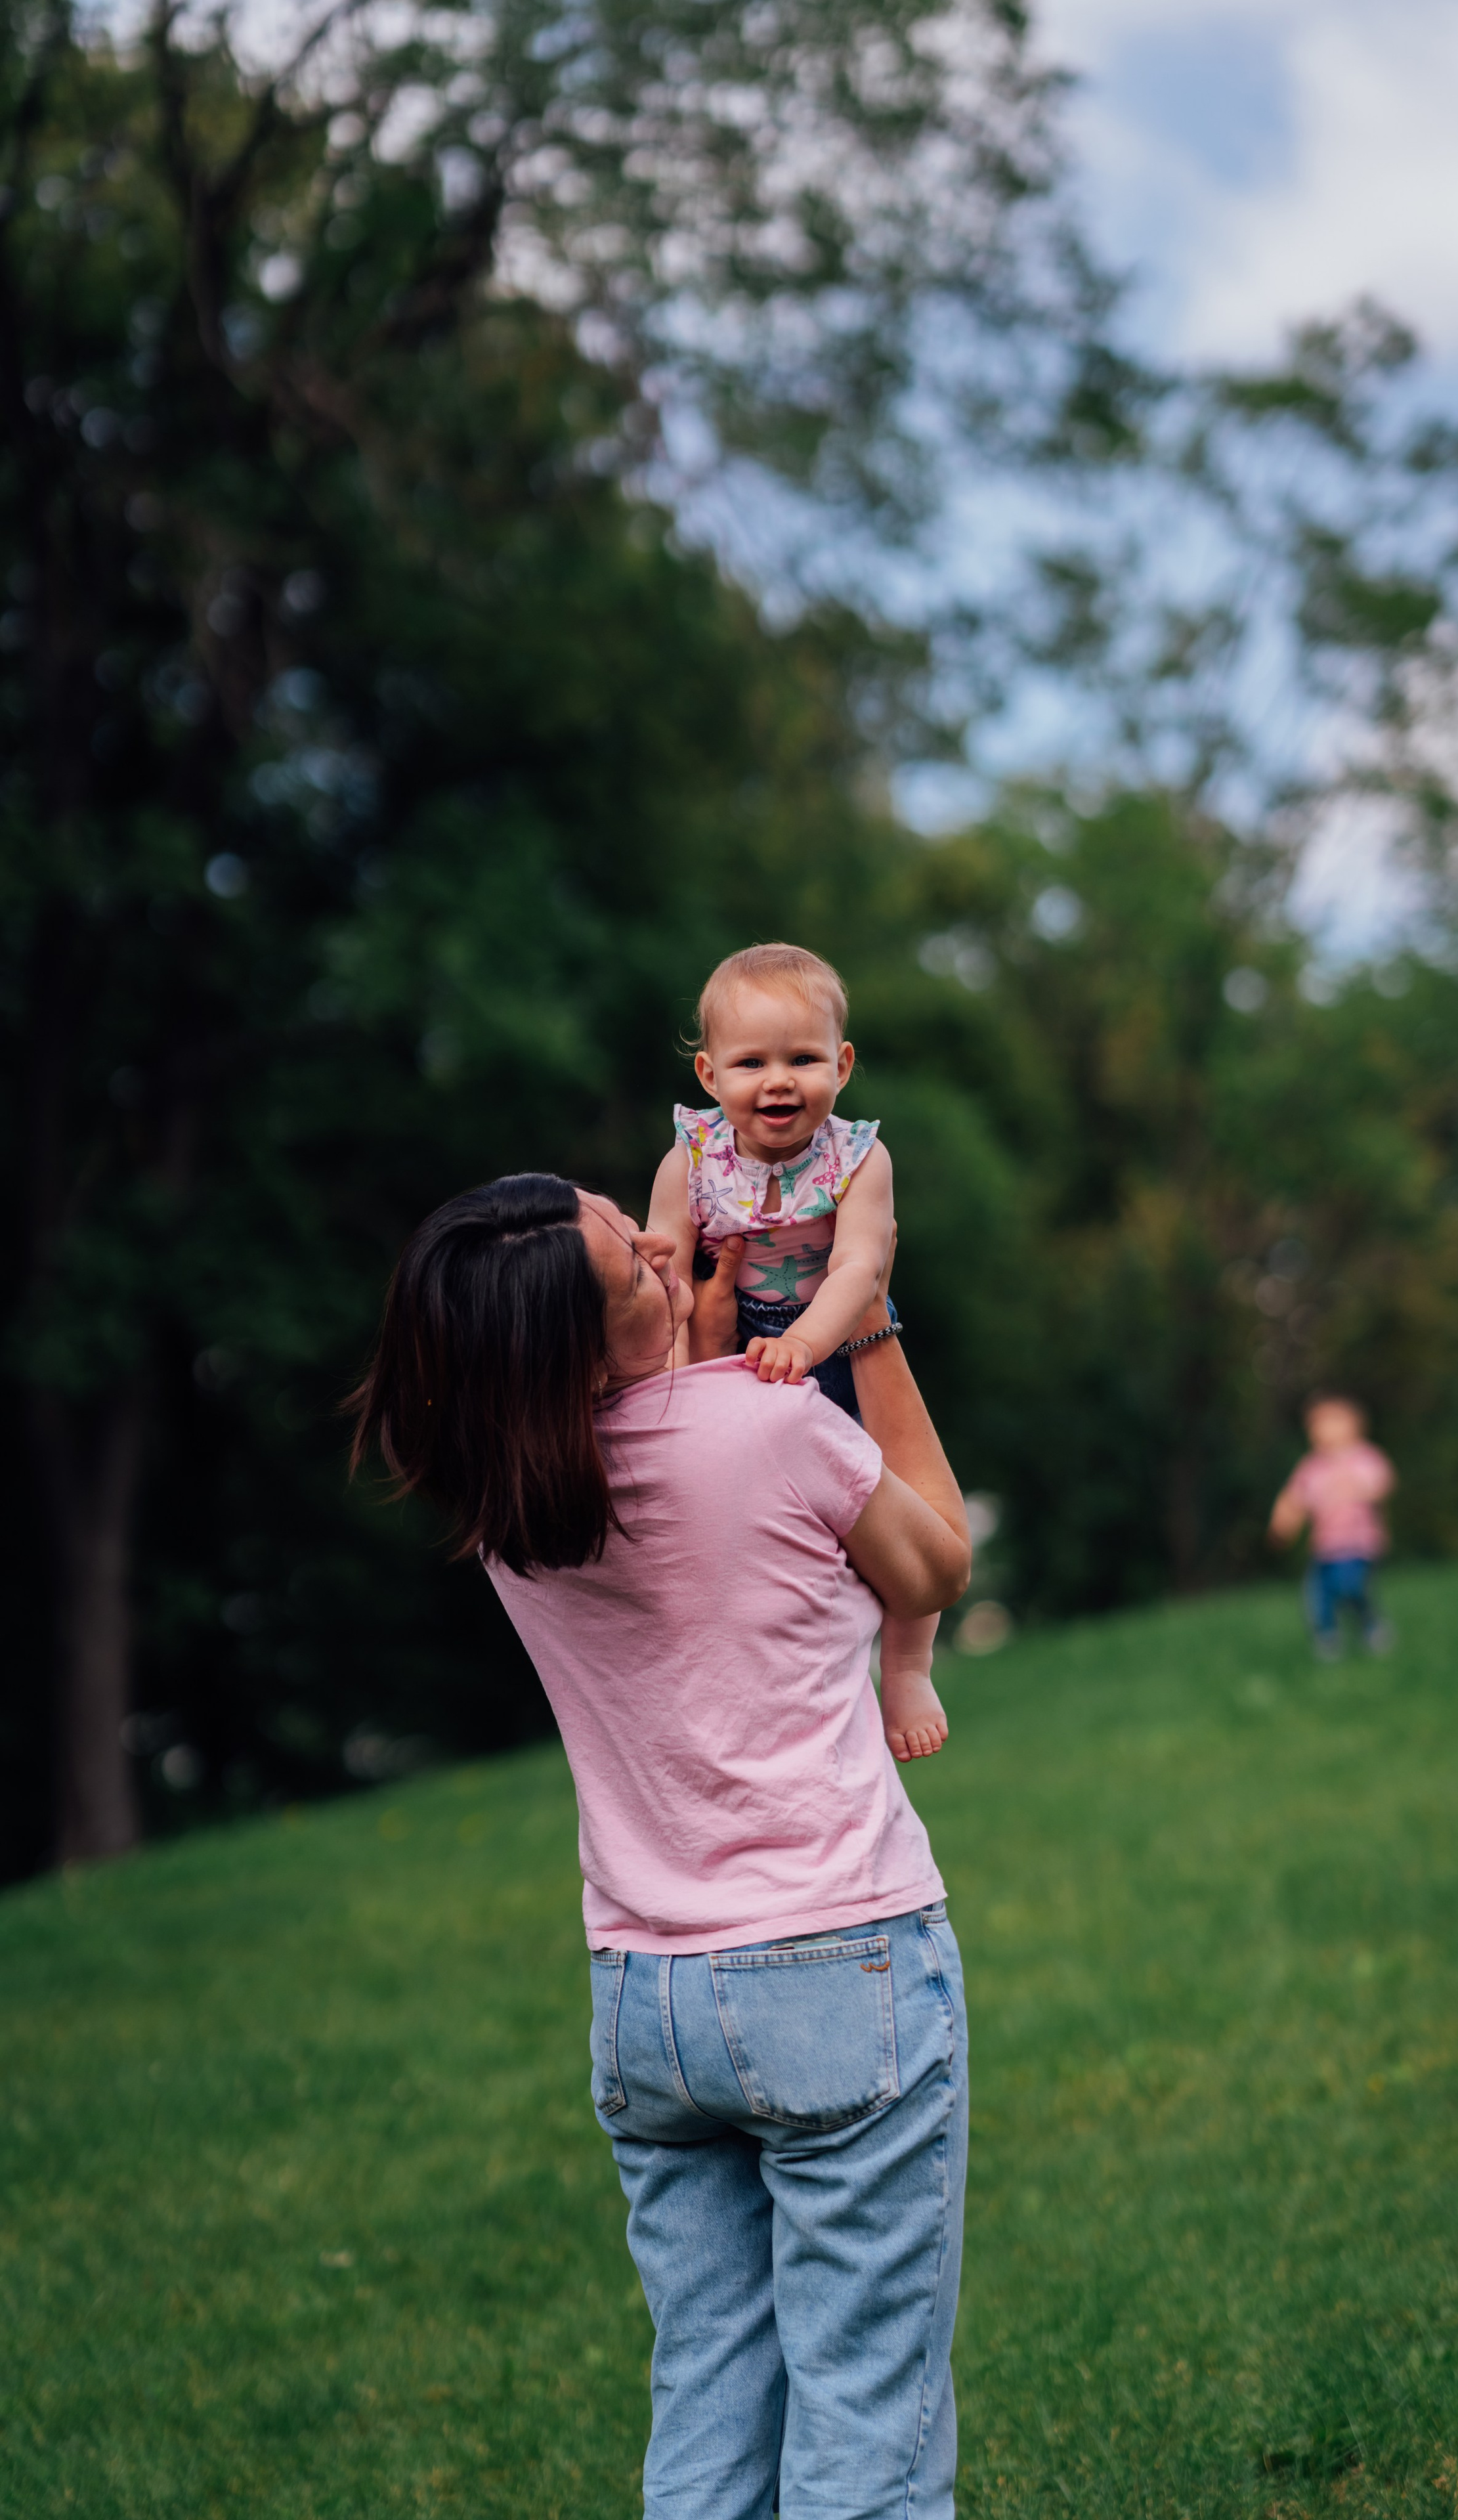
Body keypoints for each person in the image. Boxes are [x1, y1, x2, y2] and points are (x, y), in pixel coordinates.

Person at [349, 1171, 973, 2520]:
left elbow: (650, 1414)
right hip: (831, 1961)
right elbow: (932, 1567)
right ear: (577, 1343)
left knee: (709, 2393)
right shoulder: (763, 1425)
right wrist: (855, 1315)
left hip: (644, 1998)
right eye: (633, 1261)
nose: (657, 1242)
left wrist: (668, 1313)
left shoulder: (507, 1502)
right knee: (864, 2408)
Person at [646, 941, 947, 1764]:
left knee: (906, 1503)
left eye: (803, 1058)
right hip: (735, 1344)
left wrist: (810, 1341)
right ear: (710, 1076)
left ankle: (909, 1663)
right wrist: (670, 1373)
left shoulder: (858, 1159)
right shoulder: (691, 1159)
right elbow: (665, 1268)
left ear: (842, 1065)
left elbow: (860, 1265)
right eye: (751, 1062)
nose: (778, 1080)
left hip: (843, 1342)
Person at [1268, 1393, 1396, 1659]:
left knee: (1350, 1587)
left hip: (1359, 1543)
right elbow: (1294, 1498)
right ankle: (1328, 1638)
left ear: (1353, 1424)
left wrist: (1355, 1487)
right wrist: (1283, 1523)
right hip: (1324, 1546)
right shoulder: (1311, 1468)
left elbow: (1383, 1483)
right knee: (1318, 1596)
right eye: (1314, 1423)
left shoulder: (1364, 1458)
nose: (1319, 1428)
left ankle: (1371, 1625)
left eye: (1328, 1421)